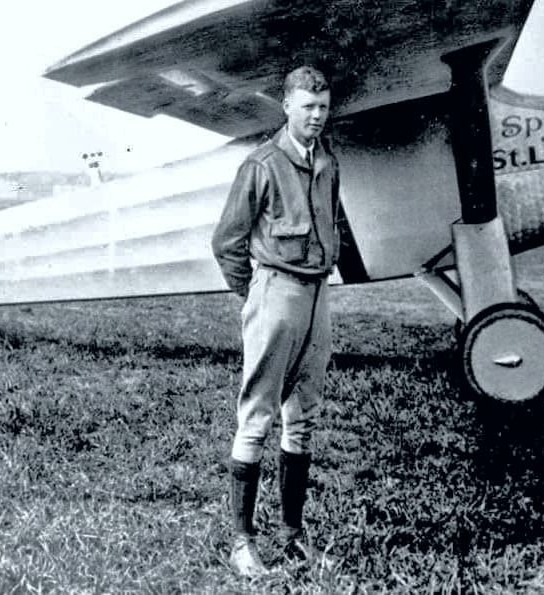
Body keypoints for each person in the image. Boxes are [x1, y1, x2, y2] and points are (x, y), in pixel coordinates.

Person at [211, 65, 340, 576]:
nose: (316, 116)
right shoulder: (262, 164)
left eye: (324, 107)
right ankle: (242, 541)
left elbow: (335, 223)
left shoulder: (328, 160)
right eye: (308, 106)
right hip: (276, 292)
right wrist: (258, 295)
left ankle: (291, 533)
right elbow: (227, 242)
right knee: (258, 414)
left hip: (317, 295)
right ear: (286, 106)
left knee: (302, 415)